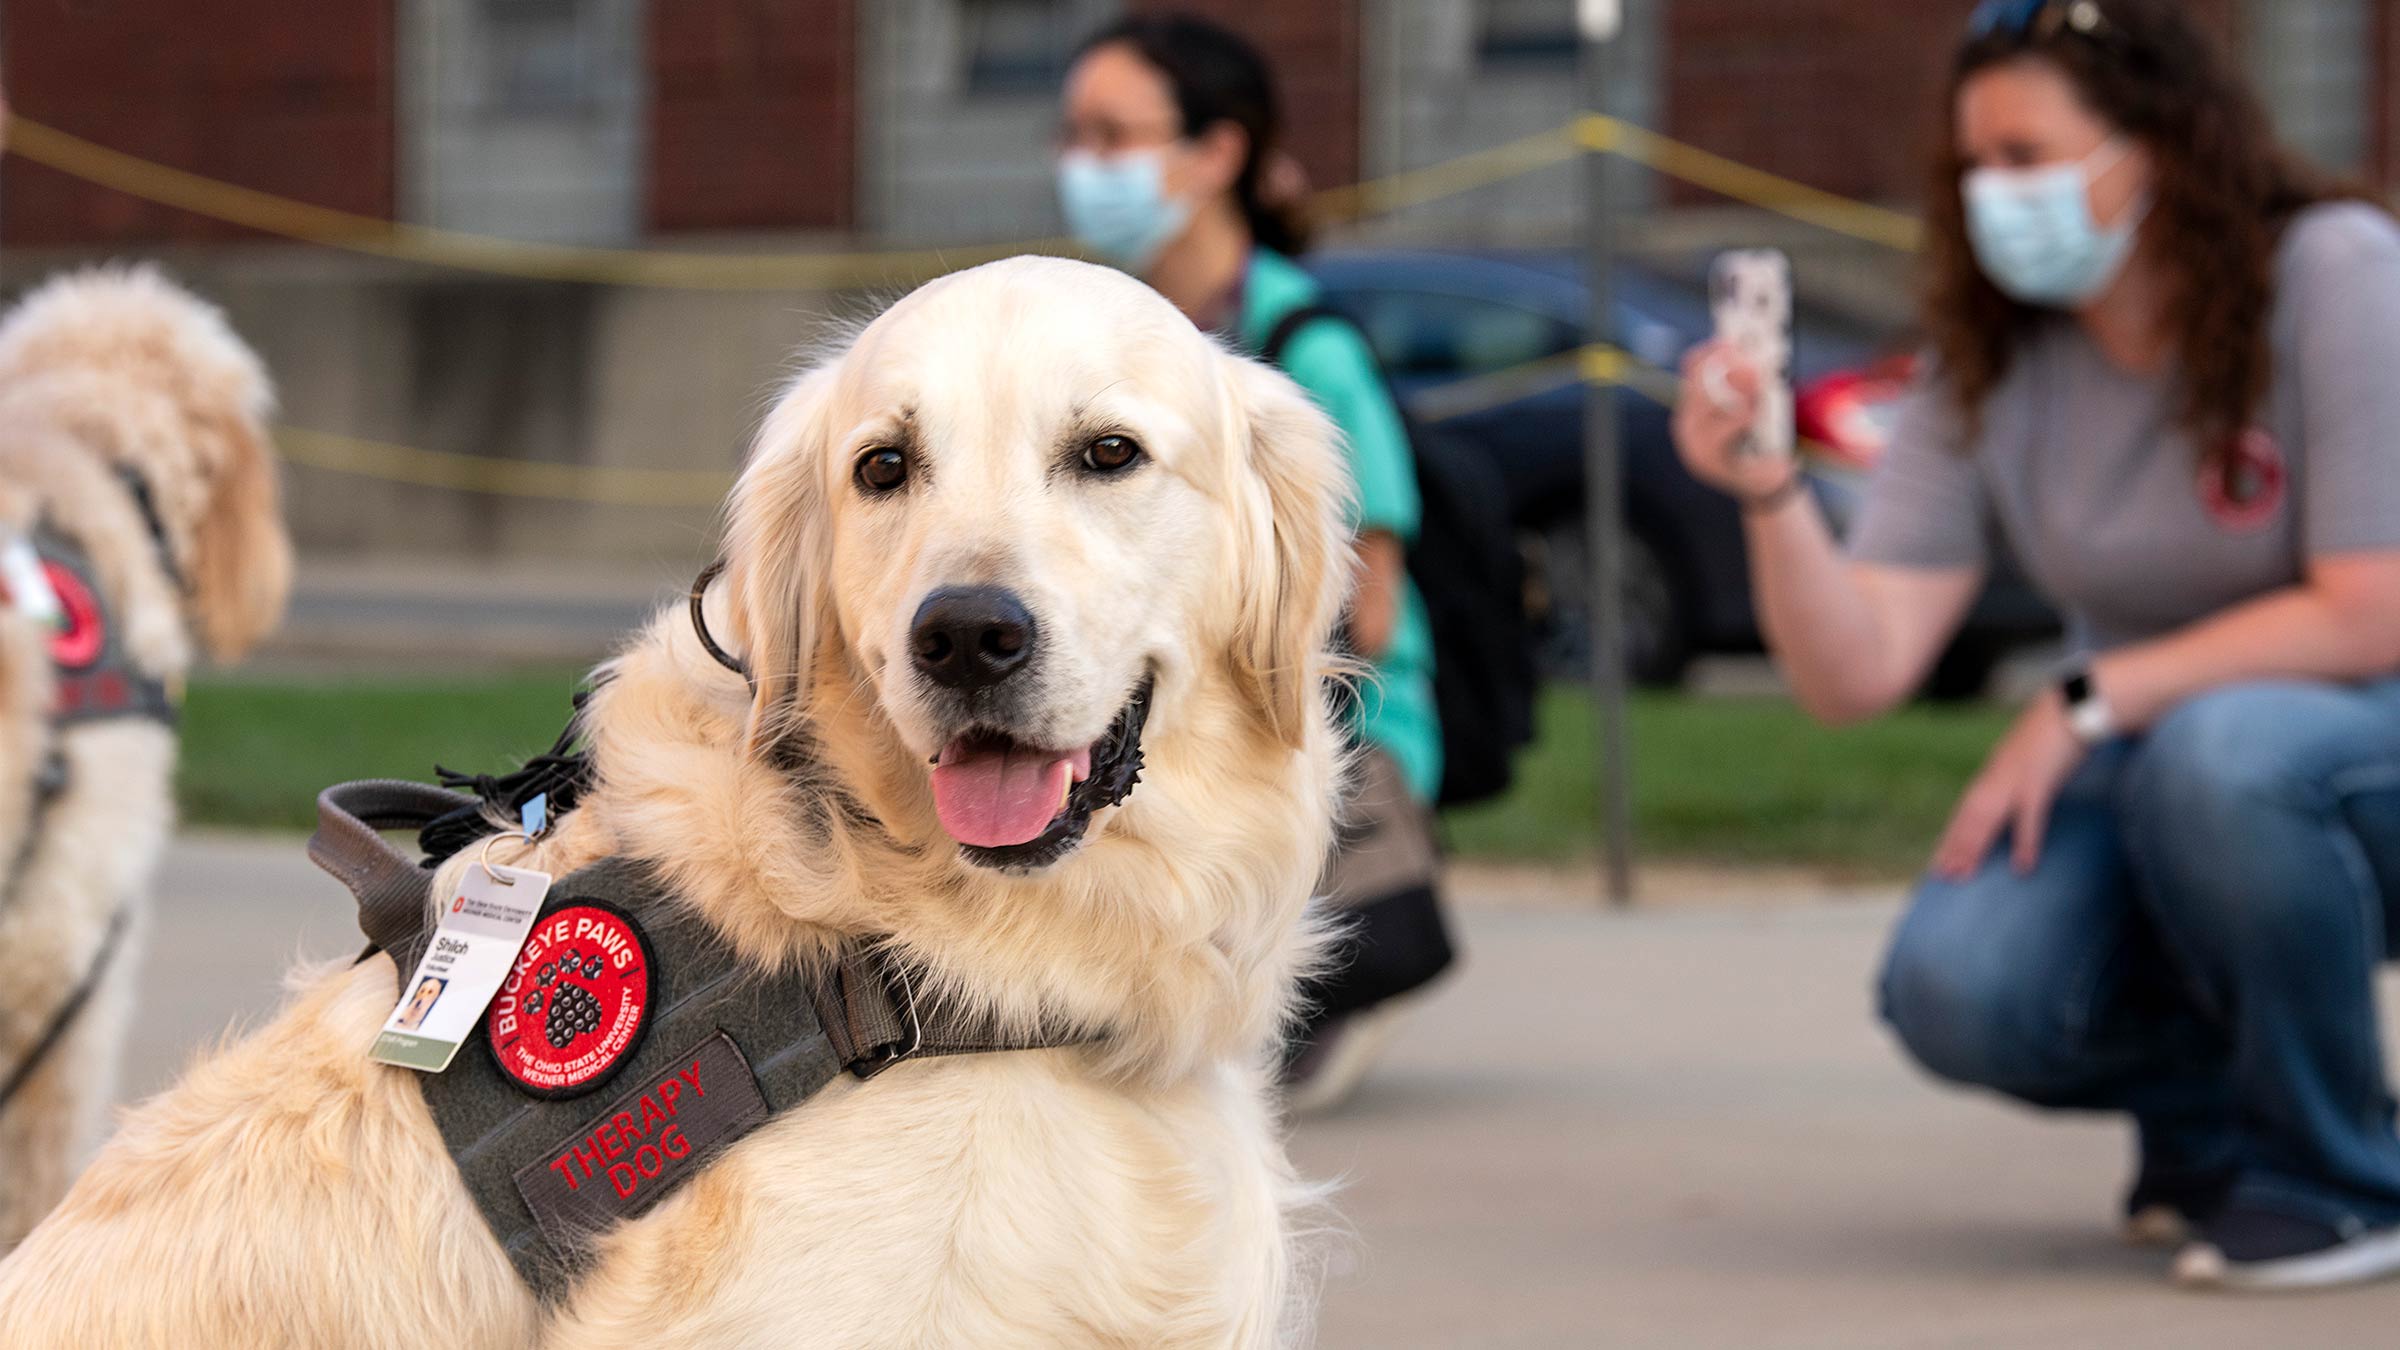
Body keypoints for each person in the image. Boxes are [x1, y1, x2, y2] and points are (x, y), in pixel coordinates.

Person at [1674, 0, 2400, 1291]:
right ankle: (2213, 1132)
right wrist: (1768, 489)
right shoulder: (1991, 350)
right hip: (2156, 763)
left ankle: (2336, 1177)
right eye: (1973, 166)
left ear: (2159, 146)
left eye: (2025, 157)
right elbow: (1859, 672)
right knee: (1962, 986)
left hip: (2341, 738)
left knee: (2222, 757)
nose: (1992, 195)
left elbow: (2370, 606)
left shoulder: (2335, 270)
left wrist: (2084, 699)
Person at [1056, 12, 1453, 1113]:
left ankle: (1319, 960)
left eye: (1112, 134)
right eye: (1073, 135)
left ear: (1216, 152)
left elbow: (1363, 610)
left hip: (1329, 705)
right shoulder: (1108, 338)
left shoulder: (1306, 351)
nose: (1083, 166)